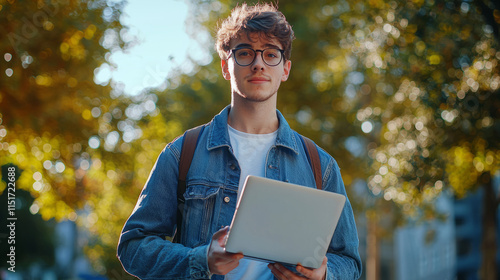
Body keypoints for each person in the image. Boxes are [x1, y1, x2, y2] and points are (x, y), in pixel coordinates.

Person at [117, 3, 362, 280]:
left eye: (271, 54)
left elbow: (350, 262)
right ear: (225, 67)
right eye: (245, 53)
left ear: (285, 69)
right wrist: (201, 260)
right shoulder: (182, 152)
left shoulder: (320, 165)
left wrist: (324, 275)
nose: (258, 63)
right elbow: (133, 247)